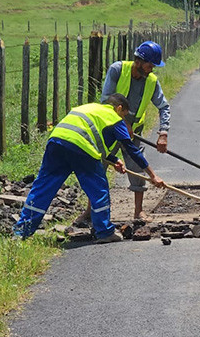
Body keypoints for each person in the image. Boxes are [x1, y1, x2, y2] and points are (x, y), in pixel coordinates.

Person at [13, 95, 164, 243]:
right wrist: (153, 175)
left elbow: (92, 137)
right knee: (98, 189)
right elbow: (131, 149)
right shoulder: (114, 118)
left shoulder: (87, 108)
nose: (124, 120)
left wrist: (114, 160)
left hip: (56, 142)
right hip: (81, 149)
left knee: (42, 188)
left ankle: (21, 232)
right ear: (119, 108)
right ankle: (104, 231)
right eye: (124, 115)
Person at [76, 41, 170, 222]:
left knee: (136, 167)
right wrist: (122, 122)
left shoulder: (151, 81)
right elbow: (106, 99)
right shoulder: (117, 70)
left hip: (134, 133)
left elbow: (163, 106)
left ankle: (138, 212)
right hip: (109, 130)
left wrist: (163, 132)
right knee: (98, 168)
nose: (152, 69)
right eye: (150, 65)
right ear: (139, 61)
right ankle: (89, 212)